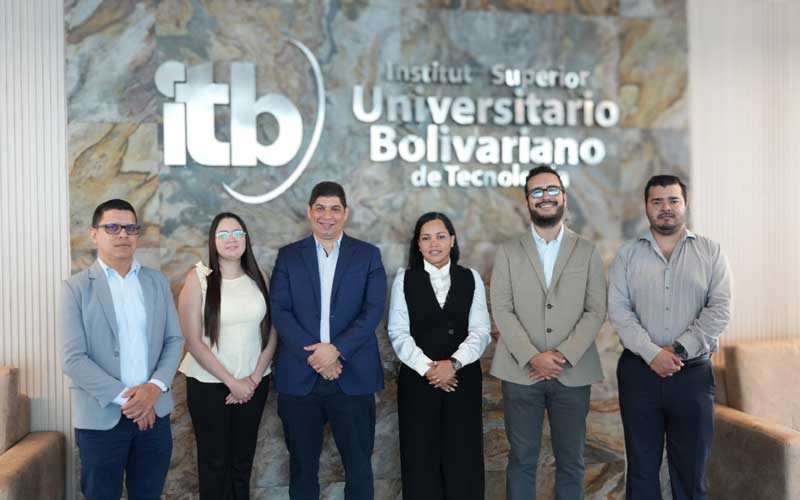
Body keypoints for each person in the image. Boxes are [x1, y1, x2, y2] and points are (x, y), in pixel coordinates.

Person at [608, 174, 732, 500]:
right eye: (657, 201)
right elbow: (619, 312)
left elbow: (719, 310)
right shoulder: (627, 255)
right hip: (639, 374)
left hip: (692, 374)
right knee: (642, 469)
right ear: (646, 207)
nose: (666, 208)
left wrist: (676, 351)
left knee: (691, 472)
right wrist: (652, 354)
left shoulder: (711, 252)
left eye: (673, 200)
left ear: (685, 204)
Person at [490, 166, 607, 500]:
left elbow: (595, 310)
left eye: (551, 190)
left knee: (571, 462)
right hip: (519, 371)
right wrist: (532, 356)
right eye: (536, 192)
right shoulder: (508, 251)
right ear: (527, 201)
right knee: (521, 460)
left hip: (572, 371)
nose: (545, 197)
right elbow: (501, 308)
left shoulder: (587, 251)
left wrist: (562, 355)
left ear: (564, 197)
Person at [270, 181, 387, 500]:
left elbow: (373, 309)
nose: (327, 216)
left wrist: (336, 351)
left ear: (345, 213)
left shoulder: (368, 255)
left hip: (353, 375)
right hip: (300, 377)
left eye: (335, 208)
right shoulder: (289, 257)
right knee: (302, 469)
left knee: (359, 467)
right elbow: (280, 310)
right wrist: (317, 357)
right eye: (320, 208)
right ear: (310, 212)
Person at [61, 199, 184, 500]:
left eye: (130, 228)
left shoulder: (156, 282)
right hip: (101, 418)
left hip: (154, 414)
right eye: (112, 227)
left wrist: (153, 389)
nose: (122, 235)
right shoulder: (75, 288)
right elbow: (73, 358)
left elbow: (175, 341)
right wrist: (131, 401)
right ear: (94, 234)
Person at [387, 212, 491, 500]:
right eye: (426, 237)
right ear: (418, 244)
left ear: (452, 240)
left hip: (462, 381)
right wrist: (429, 369)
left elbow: (481, 331)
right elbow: (398, 332)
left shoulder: (472, 278)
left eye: (441, 236)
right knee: (420, 460)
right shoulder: (404, 279)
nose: (434, 244)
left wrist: (453, 364)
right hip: (419, 383)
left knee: (463, 459)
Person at [178, 212, 277, 500]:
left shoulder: (260, 278)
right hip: (209, 386)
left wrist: (254, 378)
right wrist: (232, 382)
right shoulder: (198, 279)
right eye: (223, 234)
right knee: (214, 465)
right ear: (213, 241)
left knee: (242, 463)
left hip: (254, 384)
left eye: (237, 233)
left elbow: (272, 333)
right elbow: (193, 341)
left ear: (246, 239)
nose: (231, 240)